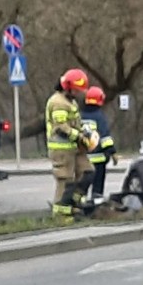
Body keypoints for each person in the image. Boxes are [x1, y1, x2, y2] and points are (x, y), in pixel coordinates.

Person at [47, 69, 95, 218]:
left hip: (74, 147)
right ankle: (61, 213)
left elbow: (75, 123)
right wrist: (79, 137)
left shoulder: (70, 101)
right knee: (65, 179)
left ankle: (74, 202)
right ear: (67, 86)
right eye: (76, 90)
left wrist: (86, 133)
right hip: (61, 149)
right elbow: (61, 127)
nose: (78, 93)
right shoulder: (58, 102)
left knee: (87, 172)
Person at [81, 86, 119, 199]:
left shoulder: (79, 115)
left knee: (82, 186)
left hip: (82, 158)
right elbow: (105, 137)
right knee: (97, 186)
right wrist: (113, 153)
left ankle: (80, 206)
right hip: (98, 159)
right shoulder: (99, 116)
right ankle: (96, 205)